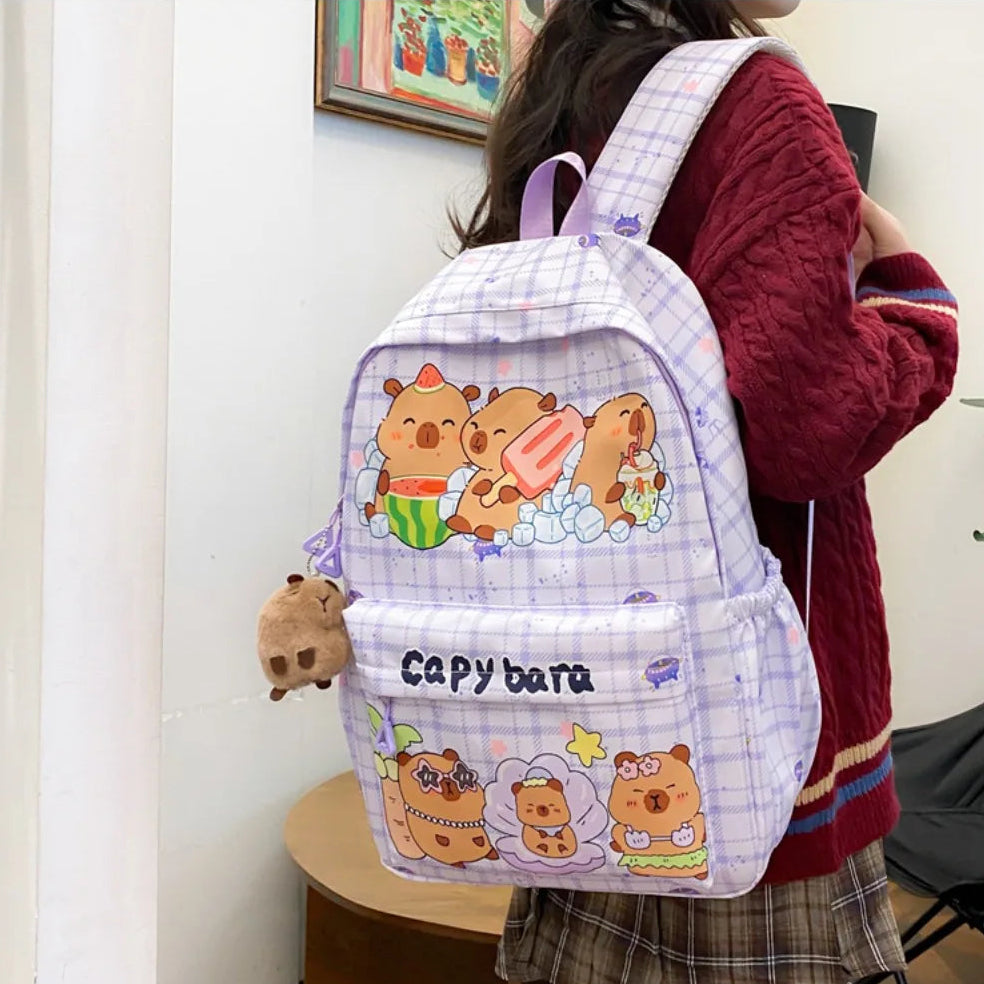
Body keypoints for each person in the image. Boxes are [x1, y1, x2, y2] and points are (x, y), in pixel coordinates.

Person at [453, 2, 960, 982]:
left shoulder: (570, 86)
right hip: (742, 735)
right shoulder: (761, 101)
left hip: (577, 702)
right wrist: (911, 304)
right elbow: (808, 428)